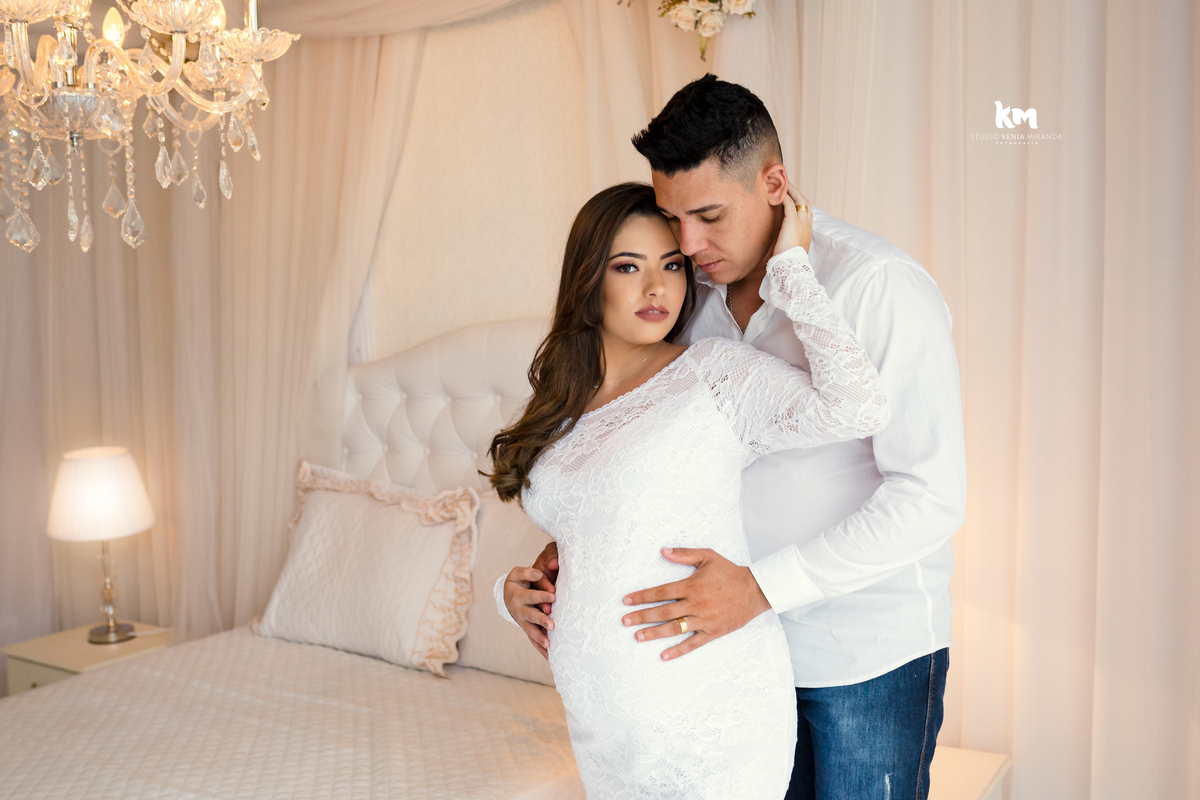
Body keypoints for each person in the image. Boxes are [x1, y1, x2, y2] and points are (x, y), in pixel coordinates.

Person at [503, 76, 967, 800]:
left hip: (862, 652)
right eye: (672, 219)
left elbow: (931, 497)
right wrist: (583, 542)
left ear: (773, 184)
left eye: (709, 216)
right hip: (728, 651)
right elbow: (664, 448)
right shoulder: (692, 298)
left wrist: (760, 588)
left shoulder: (877, 286)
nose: (688, 246)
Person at [489, 181, 889, 798]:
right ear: (588, 279)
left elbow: (857, 406)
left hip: (709, 711)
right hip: (602, 731)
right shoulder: (561, 404)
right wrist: (513, 595)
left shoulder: (712, 374)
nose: (657, 288)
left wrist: (791, 269)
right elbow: (596, 532)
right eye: (629, 267)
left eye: (673, 265)